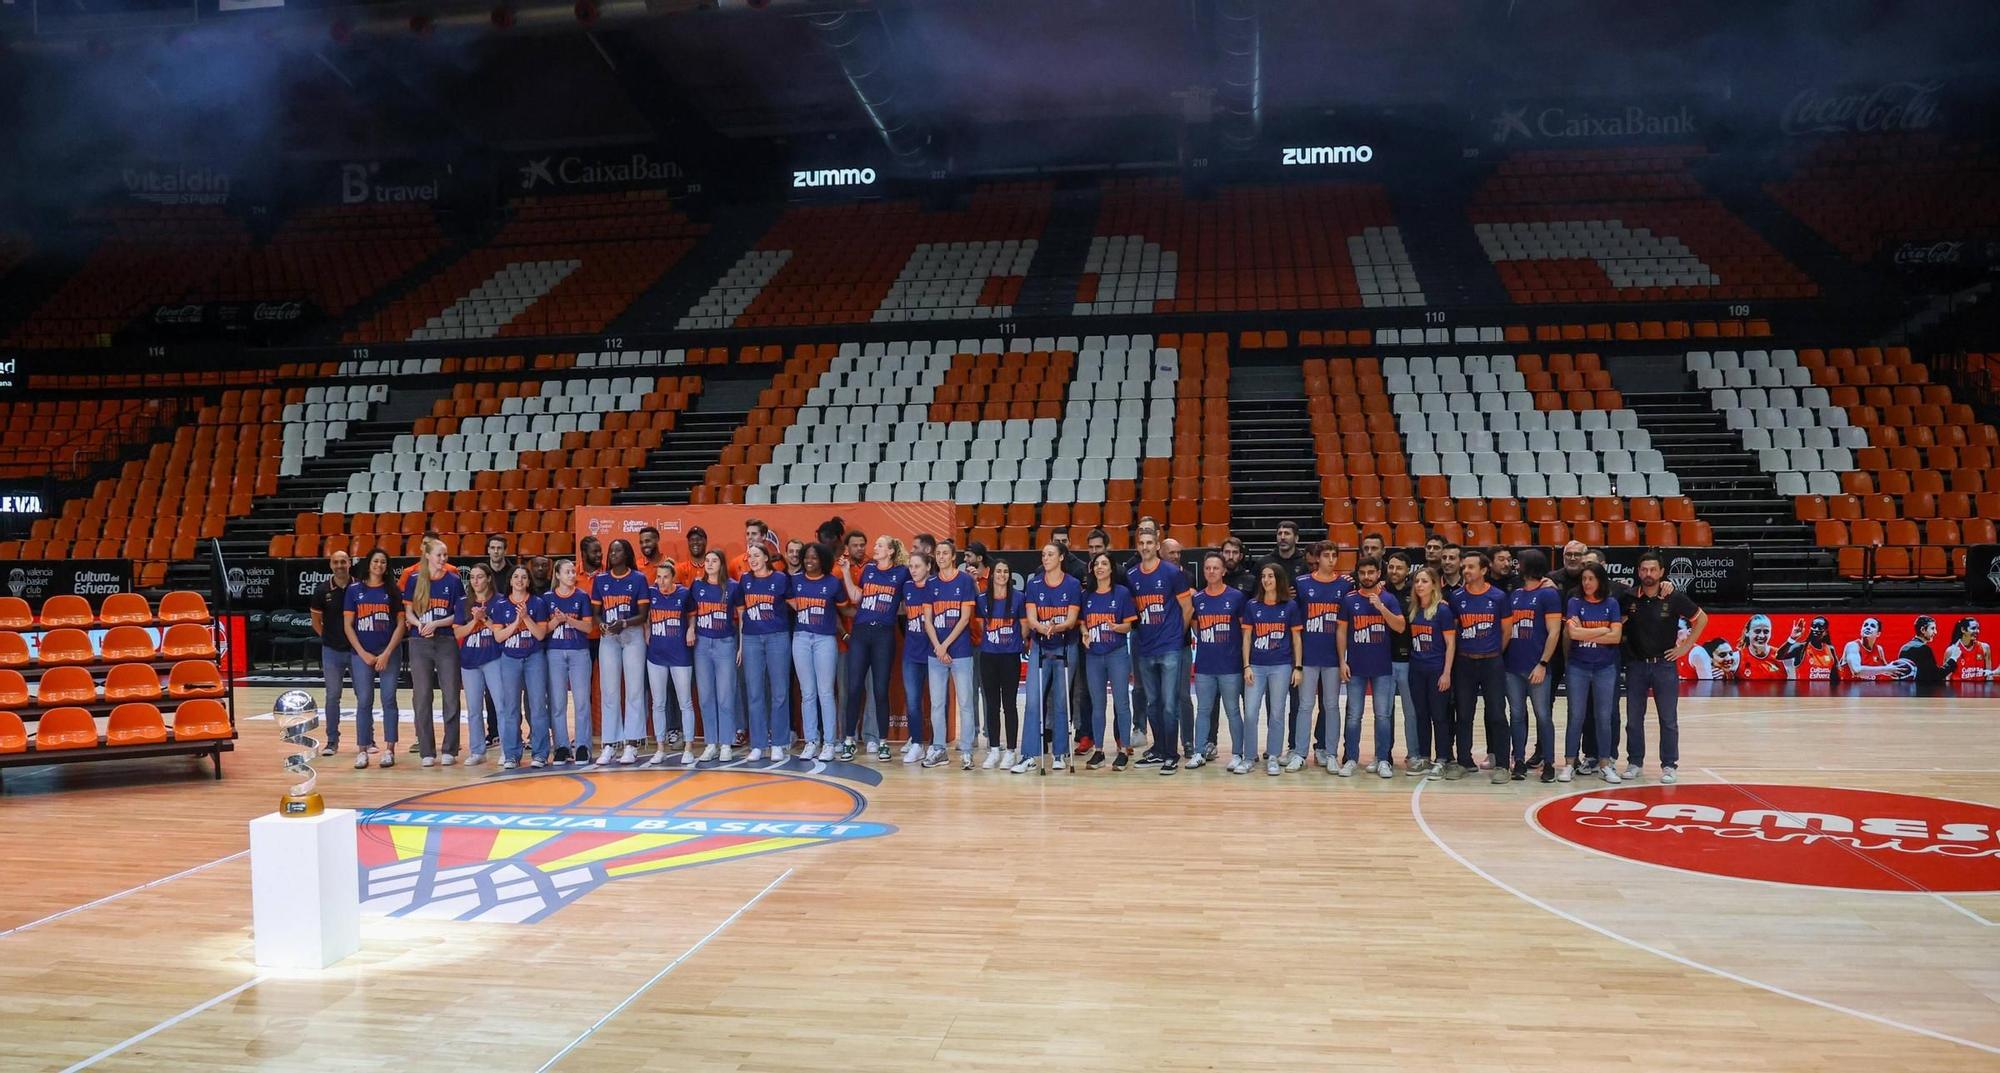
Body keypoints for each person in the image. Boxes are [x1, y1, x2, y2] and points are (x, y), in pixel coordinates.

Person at [1624, 550, 1708, 783]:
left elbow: (1702, 619)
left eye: (1653, 569)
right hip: (1636, 665)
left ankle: (1669, 765)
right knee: (1633, 719)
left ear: (1661, 572)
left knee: (1668, 719)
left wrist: (1685, 648)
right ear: (1638, 572)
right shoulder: (1629, 598)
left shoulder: (1674, 597)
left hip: (1664, 666)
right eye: (1644, 569)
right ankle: (1634, 762)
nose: (1648, 574)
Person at [1128, 531, 1194, 769]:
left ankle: (1171, 754)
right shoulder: (1132, 575)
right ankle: (1158, 748)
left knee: (1169, 703)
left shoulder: (1172, 573)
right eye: (1141, 543)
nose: (1145, 547)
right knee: (1152, 702)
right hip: (1145, 647)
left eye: (1149, 543)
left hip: (1169, 647)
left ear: (1157, 546)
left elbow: (1187, 607)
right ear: (1137, 547)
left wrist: (1177, 635)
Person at [1015, 543, 1082, 774]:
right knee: (1033, 701)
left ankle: (1060, 753)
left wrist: (1058, 627)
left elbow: (1072, 620)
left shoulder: (1072, 584)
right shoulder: (1034, 583)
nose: (1045, 558)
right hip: (1040, 646)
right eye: (1043, 555)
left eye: (1050, 554)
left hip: (1066, 646)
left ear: (1061, 557)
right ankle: (1028, 755)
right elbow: (1032, 619)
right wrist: (1044, 629)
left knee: (1062, 701)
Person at [1337, 555, 1405, 778]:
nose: (1367, 577)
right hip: (1355, 667)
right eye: (1363, 573)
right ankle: (1350, 759)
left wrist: (1381, 608)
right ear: (1358, 574)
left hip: (1382, 668)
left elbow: (1400, 627)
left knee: (1383, 716)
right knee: (1353, 716)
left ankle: (1383, 759)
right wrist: (1342, 661)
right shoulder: (1349, 600)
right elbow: (1341, 632)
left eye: (1371, 573)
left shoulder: (1389, 598)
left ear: (1378, 574)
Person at [841, 536, 907, 761]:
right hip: (861, 632)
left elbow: (908, 600)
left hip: (883, 634)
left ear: (890, 551)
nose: (874, 548)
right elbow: (856, 596)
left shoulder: (901, 573)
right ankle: (849, 740)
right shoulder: (868, 570)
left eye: (879, 545)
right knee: (854, 687)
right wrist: (846, 573)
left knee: (880, 689)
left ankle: (882, 742)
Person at [403, 536, 466, 767]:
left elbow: (458, 615)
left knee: (450, 695)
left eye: (445, 555)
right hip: (419, 643)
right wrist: (419, 624)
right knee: (422, 697)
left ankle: (450, 748)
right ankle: (426, 750)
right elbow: (408, 613)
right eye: (439, 555)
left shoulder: (454, 581)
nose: (443, 559)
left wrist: (437, 624)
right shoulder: (414, 579)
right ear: (428, 555)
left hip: (446, 641)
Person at [1447, 550, 1508, 784]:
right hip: (1464, 661)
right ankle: (1464, 761)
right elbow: (1453, 630)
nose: (1466, 571)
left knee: (1496, 713)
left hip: (1492, 661)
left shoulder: (1498, 597)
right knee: (1464, 713)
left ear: (1483, 570)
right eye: (1464, 567)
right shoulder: (1456, 597)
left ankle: (1503, 764)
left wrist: (1493, 652)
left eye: (1470, 567)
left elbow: (1506, 631)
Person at [1501, 549, 1563, 782]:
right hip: (1512, 666)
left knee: (1542, 715)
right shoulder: (1515, 594)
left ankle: (1548, 762)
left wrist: (1543, 663)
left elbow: (1554, 631)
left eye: (1521, 562)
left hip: (1537, 666)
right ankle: (1518, 760)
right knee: (1516, 714)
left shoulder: (1548, 594)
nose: (1517, 566)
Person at [341, 547, 404, 769]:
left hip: (389, 653)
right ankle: (363, 749)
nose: (379, 565)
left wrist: (386, 653)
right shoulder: (354, 590)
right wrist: (362, 653)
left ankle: (389, 749)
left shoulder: (393, 590)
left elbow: (401, 625)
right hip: (362, 654)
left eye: (383, 562)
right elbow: (348, 626)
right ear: (369, 563)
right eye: (376, 561)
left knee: (389, 700)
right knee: (364, 701)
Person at [590, 538, 651, 766]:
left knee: (634, 690)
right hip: (609, 638)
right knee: (609, 691)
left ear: (626, 554)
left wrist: (623, 623)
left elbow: (643, 615)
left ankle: (632, 744)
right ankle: (610, 744)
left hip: (632, 635)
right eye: (611, 550)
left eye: (618, 550)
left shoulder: (638, 578)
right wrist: (603, 625)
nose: (613, 554)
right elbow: (596, 612)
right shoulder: (601, 580)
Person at [1293, 541, 1352, 770]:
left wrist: (1343, 658)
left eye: (1333, 555)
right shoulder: (1302, 583)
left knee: (1331, 706)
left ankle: (1330, 754)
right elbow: (1295, 622)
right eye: (1325, 555)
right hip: (1307, 656)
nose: (1330, 559)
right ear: (1317, 558)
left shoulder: (1345, 585)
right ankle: (1300, 753)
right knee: (1305, 706)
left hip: (1332, 657)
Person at [1562, 562, 1623, 784]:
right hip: (1578, 667)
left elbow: (1616, 638)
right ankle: (1569, 763)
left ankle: (1605, 765)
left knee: (1604, 718)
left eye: (1591, 578)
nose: (1586, 583)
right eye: (1584, 579)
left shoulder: (1612, 603)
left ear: (1600, 580)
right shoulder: (1574, 602)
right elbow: (1573, 633)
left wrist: (1585, 632)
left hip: (1604, 668)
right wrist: (1603, 629)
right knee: (1575, 716)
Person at [1241, 562, 1303, 777]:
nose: (1266, 580)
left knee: (1276, 713)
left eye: (1271, 576)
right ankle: (1249, 757)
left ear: (1279, 580)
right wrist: (1246, 665)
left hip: (1281, 666)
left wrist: (1298, 667)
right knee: (1250, 713)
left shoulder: (1290, 606)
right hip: (1256, 666)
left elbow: (1296, 639)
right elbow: (1247, 638)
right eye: (1264, 576)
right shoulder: (1252, 605)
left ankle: (1274, 756)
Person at [1079, 552, 1138, 771]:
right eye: (1097, 564)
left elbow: (1129, 625)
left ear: (1112, 569)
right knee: (1097, 705)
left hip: (1117, 653)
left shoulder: (1121, 593)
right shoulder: (1087, 595)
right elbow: (1083, 623)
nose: (1100, 567)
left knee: (1121, 703)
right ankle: (1099, 751)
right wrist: (1085, 633)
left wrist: (1117, 627)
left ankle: (1123, 750)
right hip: (1094, 655)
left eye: (1104, 564)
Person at [1191, 553, 1248, 772]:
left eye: (1216, 568)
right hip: (1205, 666)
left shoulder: (1236, 597)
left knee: (1232, 710)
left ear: (1224, 571)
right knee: (1203, 710)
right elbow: (1197, 628)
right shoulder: (1198, 599)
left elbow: (1245, 631)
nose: (1211, 572)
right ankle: (1198, 752)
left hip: (1230, 666)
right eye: (1207, 568)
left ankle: (1237, 754)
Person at [737, 541, 794, 762]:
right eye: (749, 556)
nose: (752, 559)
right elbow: (742, 613)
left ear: (766, 558)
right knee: (754, 692)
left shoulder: (780, 579)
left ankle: (778, 742)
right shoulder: (745, 580)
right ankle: (759, 744)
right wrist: (741, 643)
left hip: (777, 637)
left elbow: (795, 605)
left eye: (756, 555)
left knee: (779, 691)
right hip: (751, 638)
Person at [789, 543, 846, 761]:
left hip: (824, 639)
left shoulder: (833, 582)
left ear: (823, 560)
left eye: (814, 557)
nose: (809, 561)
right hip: (801, 638)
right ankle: (811, 740)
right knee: (807, 693)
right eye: (806, 557)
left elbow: (843, 608)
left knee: (825, 692)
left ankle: (830, 742)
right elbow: (789, 604)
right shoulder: (795, 581)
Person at [926, 540, 980, 769]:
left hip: (960, 651)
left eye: (945, 553)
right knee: (937, 704)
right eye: (938, 553)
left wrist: (945, 645)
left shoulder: (965, 581)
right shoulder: (930, 584)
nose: (941, 557)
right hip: (936, 652)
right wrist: (938, 646)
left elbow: (965, 618)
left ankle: (966, 750)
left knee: (966, 702)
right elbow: (927, 620)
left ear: (953, 557)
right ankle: (939, 749)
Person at [492, 563, 550, 769]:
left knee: (537, 707)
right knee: (511, 708)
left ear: (528, 581)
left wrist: (526, 617)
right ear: (510, 580)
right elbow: (499, 637)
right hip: (510, 659)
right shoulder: (500, 605)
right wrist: (517, 622)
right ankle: (511, 754)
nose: (519, 580)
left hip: (534, 657)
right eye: (516, 577)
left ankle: (541, 753)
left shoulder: (538, 603)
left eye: (524, 577)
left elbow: (541, 634)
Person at [689, 550, 742, 762]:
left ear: (722, 564)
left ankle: (726, 743)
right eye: (707, 561)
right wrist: (691, 628)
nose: (709, 564)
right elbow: (692, 614)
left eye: (714, 561)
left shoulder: (733, 586)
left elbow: (743, 616)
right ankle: (711, 743)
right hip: (702, 644)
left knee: (726, 695)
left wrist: (742, 646)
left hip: (725, 643)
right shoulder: (697, 586)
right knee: (706, 696)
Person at [644, 557, 697, 766]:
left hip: (680, 654)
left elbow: (692, 615)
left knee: (685, 703)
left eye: (666, 577)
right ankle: (660, 747)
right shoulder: (651, 592)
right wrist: (647, 629)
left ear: (673, 578)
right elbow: (645, 614)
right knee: (658, 703)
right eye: (659, 577)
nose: (662, 581)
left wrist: (691, 628)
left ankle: (689, 747)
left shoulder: (684, 593)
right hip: (656, 655)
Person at [1406, 567, 1457, 780]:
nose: (1419, 585)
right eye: (1417, 581)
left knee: (1439, 716)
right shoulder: (1414, 610)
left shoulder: (1443, 611)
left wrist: (1446, 673)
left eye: (1424, 581)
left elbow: (1451, 643)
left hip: (1437, 670)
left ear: (1434, 585)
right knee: (1421, 715)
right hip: (1417, 670)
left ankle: (1443, 758)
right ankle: (1425, 757)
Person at [544, 558, 596, 765]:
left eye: (574, 572)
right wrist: (555, 621)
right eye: (567, 572)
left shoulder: (582, 596)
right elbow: (543, 630)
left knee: (582, 701)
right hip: (555, 652)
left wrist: (568, 620)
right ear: (557, 575)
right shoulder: (547, 598)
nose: (572, 575)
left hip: (579, 652)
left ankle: (583, 745)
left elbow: (587, 627)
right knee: (557, 702)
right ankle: (562, 746)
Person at [975, 558, 1026, 769]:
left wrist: (1012, 642)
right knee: (992, 705)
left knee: (1010, 705)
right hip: (988, 656)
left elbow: (1024, 628)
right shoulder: (981, 599)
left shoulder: (1019, 598)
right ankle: (994, 749)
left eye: (1006, 571)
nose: (1002, 575)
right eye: (998, 571)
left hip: (1010, 656)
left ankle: (1011, 751)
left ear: (1009, 575)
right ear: (993, 574)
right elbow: (979, 627)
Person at [453, 563, 503, 767]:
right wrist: (475, 621)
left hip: (493, 658)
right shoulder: (462, 602)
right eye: (472, 577)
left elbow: (501, 632)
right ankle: (477, 750)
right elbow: (457, 633)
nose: (475, 581)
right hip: (469, 661)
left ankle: (508, 749)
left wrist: (485, 619)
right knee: (474, 709)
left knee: (501, 706)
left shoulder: (500, 602)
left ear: (489, 578)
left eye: (480, 576)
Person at [309, 549, 355, 757]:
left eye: (343, 561)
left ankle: (368, 740)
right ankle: (332, 741)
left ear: (350, 563)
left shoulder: (359, 587)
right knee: (332, 697)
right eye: (336, 562)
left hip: (356, 651)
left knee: (364, 696)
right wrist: (329, 638)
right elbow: (316, 622)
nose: (340, 565)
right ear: (331, 565)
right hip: (332, 651)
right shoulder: (321, 591)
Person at [1384, 551, 1427, 775]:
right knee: (1385, 712)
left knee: (1412, 712)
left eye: (1399, 568)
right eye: (1391, 567)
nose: (1394, 572)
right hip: (1384, 660)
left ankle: (1414, 754)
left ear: (1408, 570)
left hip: (1410, 660)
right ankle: (1385, 755)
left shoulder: (1416, 593)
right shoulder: (1381, 591)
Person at [899, 552, 936, 764]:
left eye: (917, 566)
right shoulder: (907, 588)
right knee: (913, 702)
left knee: (936, 703)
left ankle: (935, 744)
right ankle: (916, 744)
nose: (913, 570)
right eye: (911, 566)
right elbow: (903, 618)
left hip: (932, 653)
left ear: (928, 567)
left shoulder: (935, 588)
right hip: (911, 654)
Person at [1840, 617, 1909, 680]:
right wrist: (1887, 669)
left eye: (1872, 626)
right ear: (1861, 630)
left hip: (1868, 690)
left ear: (1878, 634)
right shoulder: (1852, 646)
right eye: (1865, 625)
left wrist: (1898, 670)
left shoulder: (1879, 649)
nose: (1868, 627)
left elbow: (1886, 671)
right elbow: (1857, 671)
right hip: (1848, 690)